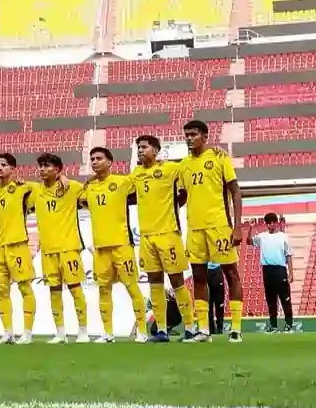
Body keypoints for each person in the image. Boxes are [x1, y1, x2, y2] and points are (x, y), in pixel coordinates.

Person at [180, 119, 244, 342]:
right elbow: (182, 197)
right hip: (195, 229)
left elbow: (235, 192)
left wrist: (237, 227)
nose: (189, 138)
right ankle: (203, 330)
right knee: (198, 277)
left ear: (205, 136)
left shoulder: (219, 157)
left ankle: (235, 328)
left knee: (231, 274)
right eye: (186, 134)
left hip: (219, 226)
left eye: (194, 134)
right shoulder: (183, 166)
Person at [129, 135, 198, 343]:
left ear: (156, 150)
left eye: (144, 147)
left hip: (168, 234)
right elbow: (125, 193)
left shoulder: (170, 170)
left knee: (177, 281)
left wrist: (174, 207)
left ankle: (190, 327)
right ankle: (161, 330)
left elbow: (184, 191)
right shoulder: (136, 174)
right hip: (147, 237)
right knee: (154, 283)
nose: (140, 150)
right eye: (138, 147)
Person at [81, 147, 148, 343]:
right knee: (103, 290)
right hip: (100, 248)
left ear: (110, 162)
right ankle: (107, 333)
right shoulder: (88, 188)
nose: (94, 162)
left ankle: (142, 330)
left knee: (132, 287)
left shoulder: (122, 182)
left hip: (121, 245)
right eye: (92, 159)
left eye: (99, 158)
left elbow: (141, 176)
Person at [31, 153, 88, 344]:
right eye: (40, 166)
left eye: (47, 166)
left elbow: (90, 188)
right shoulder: (34, 190)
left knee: (75, 289)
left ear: (57, 169)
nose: (42, 169)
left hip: (68, 248)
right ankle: (60, 333)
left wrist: (64, 178)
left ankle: (83, 331)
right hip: (47, 250)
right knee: (54, 291)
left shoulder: (70, 187)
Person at [0, 153, 34, 344]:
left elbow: (45, 188)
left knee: (24, 288)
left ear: (13, 168)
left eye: (4, 165)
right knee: (1, 291)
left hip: (17, 244)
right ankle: (8, 332)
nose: (0, 168)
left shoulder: (24, 188)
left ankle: (27, 333)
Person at [255, 213, 295, 333]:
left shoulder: (283, 236)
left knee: (285, 299)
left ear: (276, 223)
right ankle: (273, 326)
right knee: (271, 300)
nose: (271, 225)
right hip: (267, 270)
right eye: (268, 223)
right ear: (266, 224)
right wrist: (251, 227)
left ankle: (289, 325)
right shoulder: (262, 236)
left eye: (273, 222)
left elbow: (288, 255)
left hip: (280, 269)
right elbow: (248, 241)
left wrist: (291, 273)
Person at [207, 261, 225, 335]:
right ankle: (211, 328)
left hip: (217, 269)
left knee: (219, 303)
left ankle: (219, 327)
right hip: (207, 270)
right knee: (209, 304)